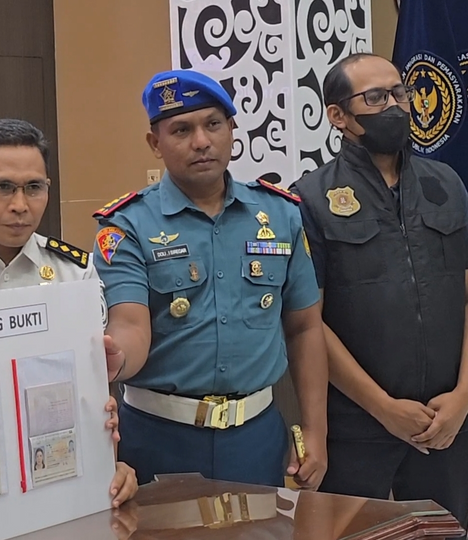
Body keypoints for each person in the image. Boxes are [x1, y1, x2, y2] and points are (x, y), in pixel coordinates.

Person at [95, 69, 329, 490]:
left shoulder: (280, 215)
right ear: (155, 144)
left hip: (256, 438)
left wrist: (315, 429)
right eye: (181, 130)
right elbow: (129, 323)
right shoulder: (127, 225)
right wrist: (118, 358)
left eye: (213, 124)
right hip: (156, 437)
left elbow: (305, 327)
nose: (201, 141)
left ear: (232, 131)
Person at [0, 118, 138, 507]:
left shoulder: (74, 272)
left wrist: (107, 463)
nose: (20, 205)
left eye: (34, 188)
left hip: (52, 474)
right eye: (3, 187)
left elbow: (92, 395)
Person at [291, 53, 467, 526]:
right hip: (357, 427)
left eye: (399, 93)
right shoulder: (309, 199)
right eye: (375, 97)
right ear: (338, 115)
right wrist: (384, 408)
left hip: (446, 422)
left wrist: (463, 396)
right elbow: (308, 324)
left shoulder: (446, 184)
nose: (394, 106)